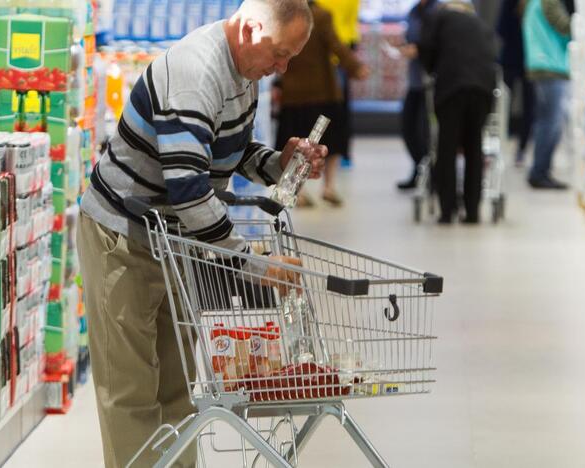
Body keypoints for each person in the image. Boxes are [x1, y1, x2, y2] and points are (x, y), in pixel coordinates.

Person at [76, 1, 326, 466]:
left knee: (177, 387)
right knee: (131, 391)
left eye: (289, 57)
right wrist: (254, 264)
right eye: (279, 54)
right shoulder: (196, 71)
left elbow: (222, 149)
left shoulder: (244, 70)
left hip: (173, 242)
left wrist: (278, 164)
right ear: (251, 28)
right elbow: (190, 191)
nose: (282, 68)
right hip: (123, 238)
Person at [275, 0, 369, 207]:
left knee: (296, 144)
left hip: (294, 91)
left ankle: (298, 192)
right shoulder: (321, 16)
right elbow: (336, 45)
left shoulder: (284, 17)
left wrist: (277, 82)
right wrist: (356, 68)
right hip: (323, 90)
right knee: (331, 142)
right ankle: (329, 187)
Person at [418, 0, 497, 224]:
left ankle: (447, 209)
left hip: (451, 89)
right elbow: (492, 53)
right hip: (482, 89)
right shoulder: (479, 23)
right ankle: (472, 210)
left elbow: (427, 48)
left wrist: (432, 68)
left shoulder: (439, 18)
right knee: (474, 148)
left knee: (447, 149)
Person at [522, 0, 574, 190]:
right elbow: (565, 26)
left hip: (543, 65)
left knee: (547, 122)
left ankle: (541, 171)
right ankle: (539, 172)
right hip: (549, 66)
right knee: (551, 123)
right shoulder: (548, 1)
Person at [396, 0, 438, 190]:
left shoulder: (438, 10)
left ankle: (432, 173)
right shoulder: (413, 12)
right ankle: (421, 169)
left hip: (432, 82)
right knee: (408, 128)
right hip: (415, 81)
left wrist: (419, 50)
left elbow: (440, 42)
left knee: (425, 131)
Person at [315, 0, 360, 168]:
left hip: (325, 57)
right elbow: (351, 25)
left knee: (327, 110)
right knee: (339, 108)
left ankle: (335, 152)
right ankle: (342, 153)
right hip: (339, 54)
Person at [497, 0, 534, 166]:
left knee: (505, 104)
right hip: (526, 59)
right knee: (526, 106)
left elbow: (501, 28)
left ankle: (508, 141)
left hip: (516, 58)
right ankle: (519, 148)